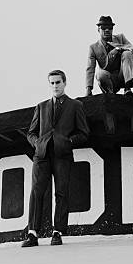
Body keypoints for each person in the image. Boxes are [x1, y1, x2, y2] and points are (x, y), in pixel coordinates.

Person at [23, 70, 90, 247]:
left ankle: (57, 232)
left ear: (65, 83)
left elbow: (84, 133)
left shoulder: (75, 105)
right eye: (52, 83)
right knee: (37, 192)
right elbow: (30, 132)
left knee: (61, 192)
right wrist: (37, 144)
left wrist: (68, 141)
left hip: (63, 155)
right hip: (42, 155)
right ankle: (32, 233)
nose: (55, 86)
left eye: (58, 82)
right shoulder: (41, 106)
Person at [86, 15, 133, 96]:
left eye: (110, 27)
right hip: (107, 79)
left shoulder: (120, 38)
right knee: (100, 74)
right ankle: (110, 95)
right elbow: (90, 69)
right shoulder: (93, 47)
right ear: (98, 29)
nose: (107, 30)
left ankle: (128, 88)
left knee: (127, 53)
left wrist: (121, 48)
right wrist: (88, 88)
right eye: (103, 27)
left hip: (122, 76)